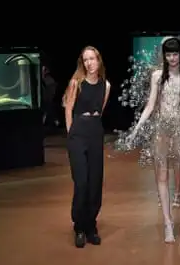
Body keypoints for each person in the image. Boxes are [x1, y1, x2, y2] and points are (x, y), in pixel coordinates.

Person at [123, 36, 180, 245]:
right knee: (162, 176)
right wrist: (135, 129)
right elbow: (150, 105)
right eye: (169, 54)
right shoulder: (157, 76)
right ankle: (168, 224)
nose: (172, 58)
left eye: (175, 54)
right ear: (164, 56)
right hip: (161, 130)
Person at [63, 46, 111, 248]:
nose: (89, 63)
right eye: (85, 60)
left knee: (95, 182)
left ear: (99, 61)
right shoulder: (77, 83)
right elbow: (69, 108)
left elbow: (101, 110)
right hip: (78, 134)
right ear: (82, 63)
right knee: (81, 182)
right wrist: (71, 134)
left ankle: (91, 226)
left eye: (92, 59)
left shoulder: (106, 85)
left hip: (95, 133)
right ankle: (79, 227)